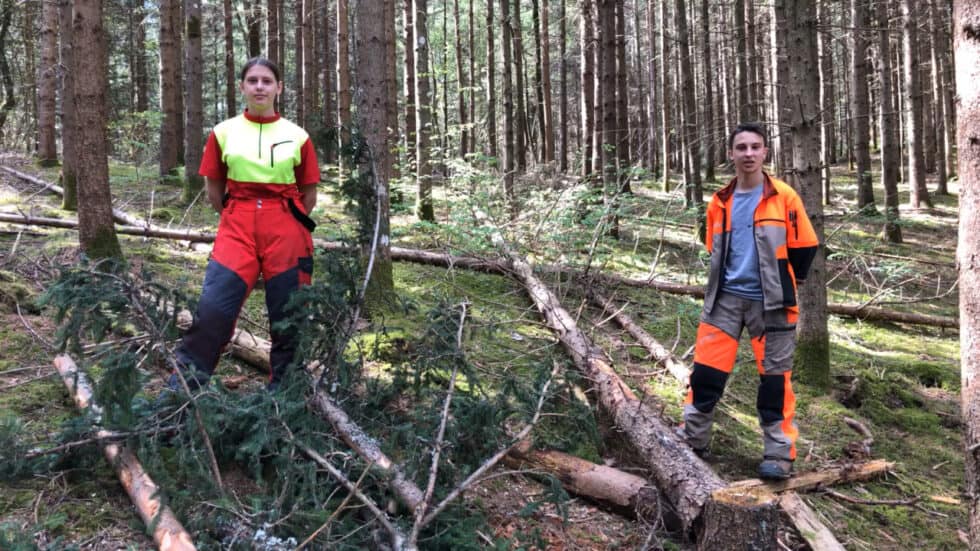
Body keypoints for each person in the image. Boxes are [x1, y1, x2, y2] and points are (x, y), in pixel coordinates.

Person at [677, 122, 819, 480]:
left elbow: (805, 246)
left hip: (772, 305)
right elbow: (713, 247)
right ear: (731, 154)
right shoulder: (720, 201)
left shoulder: (784, 196)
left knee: (774, 383)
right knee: (705, 374)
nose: (749, 153)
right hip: (724, 300)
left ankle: (779, 455)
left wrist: (785, 282)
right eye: (741, 147)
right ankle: (692, 439)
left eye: (755, 147)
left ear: (765, 152)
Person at [171, 57, 320, 392]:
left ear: (279, 88)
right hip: (237, 225)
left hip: (287, 229)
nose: (259, 87)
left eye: (267, 81)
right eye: (252, 81)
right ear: (242, 87)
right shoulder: (223, 132)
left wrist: (283, 218)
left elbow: (308, 194)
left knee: (290, 316)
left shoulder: (298, 136)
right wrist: (239, 214)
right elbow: (214, 190)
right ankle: (180, 398)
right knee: (213, 311)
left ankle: (285, 399)